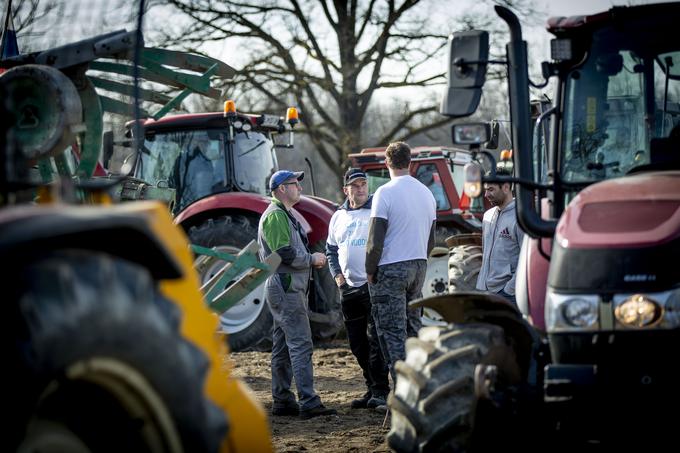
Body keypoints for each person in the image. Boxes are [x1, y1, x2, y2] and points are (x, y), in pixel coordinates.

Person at [257, 169, 337, 420]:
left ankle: (282, 400)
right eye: (295, 184)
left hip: (285, 285)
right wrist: (312, 258)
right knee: (301, 343)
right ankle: (309, 401)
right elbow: (284, 253)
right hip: (286, 285)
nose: (299, 188)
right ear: (281, 189)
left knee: (282, 346)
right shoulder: (276, 216)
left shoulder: (285, 214)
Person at [365, 142, 437, 379]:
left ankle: (403, 387)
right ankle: (420, 379)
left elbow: (376, 239)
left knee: (392, 331)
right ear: (410, 162)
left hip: (391, 267)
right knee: (413, 327)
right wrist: (421, 262)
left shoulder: (385, 193)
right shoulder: (427, 193)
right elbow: (431, 238)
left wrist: (369, 269)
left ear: (387, 163)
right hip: (418, 265)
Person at [326, 168, 390, 411]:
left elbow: (388, 244)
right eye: (355, 185)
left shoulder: (377, 211)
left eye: (364, 184)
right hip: (348, 288)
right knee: (356, 343)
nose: (361, 188)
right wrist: (337, 277)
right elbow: (331, 249)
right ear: (346, 190)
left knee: (376, 341)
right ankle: (370, 386)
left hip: (372, 285)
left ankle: (381, 392)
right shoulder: (338, 216)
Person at [475, 167, 525, 305]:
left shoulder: (520, 217)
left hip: (508, 295)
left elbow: (526, 260)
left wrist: (509, 290)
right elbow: (485, 253)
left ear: (506, 187)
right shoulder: (487, 216)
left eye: (491, 190)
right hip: (484, 291)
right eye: (485, 190)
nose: (486, 195)